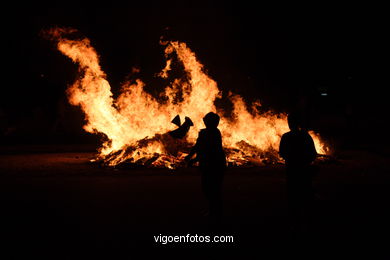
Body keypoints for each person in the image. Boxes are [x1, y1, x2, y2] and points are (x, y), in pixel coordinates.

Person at [279, 112, 317, 232]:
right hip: (304, 170)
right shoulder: (306, 136)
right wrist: (305, 161)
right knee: (305, 197)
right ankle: (307, 225)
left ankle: (295, 225)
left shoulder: (286, 137)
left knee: (293, 198)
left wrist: (291, 159)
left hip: (292, 170)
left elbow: (282, 153)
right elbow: (313, 154)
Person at [185, 112, 226, 221]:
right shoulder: (210, 132)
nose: (205, 121)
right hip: (215, 164)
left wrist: (193, 159)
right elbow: (199, 146)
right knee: (211, 188)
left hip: (213, 164)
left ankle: (215, 213)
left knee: (211, 188)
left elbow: (207, 149)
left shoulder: (211, 133)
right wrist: (190, 156)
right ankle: (215, 211)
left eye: (207, 120)